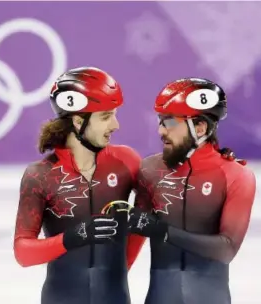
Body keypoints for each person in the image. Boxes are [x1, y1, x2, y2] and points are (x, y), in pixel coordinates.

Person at [13, 66, 146, 304]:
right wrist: (73, 237)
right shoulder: (41, 175)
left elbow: (168, 186)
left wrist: (221, 161)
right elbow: (23, 252)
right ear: (77, 121)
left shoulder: (126, 162)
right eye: (105, 116)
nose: (115, 125)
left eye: (114, 114)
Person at [128, 77, 257, 304]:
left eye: (169, 122)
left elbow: (226, 250)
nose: (160, 130)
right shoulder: (150, 170)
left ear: (200, 127)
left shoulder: (236, 176)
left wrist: (161, 231)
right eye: (160, 120)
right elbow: (135, 236)